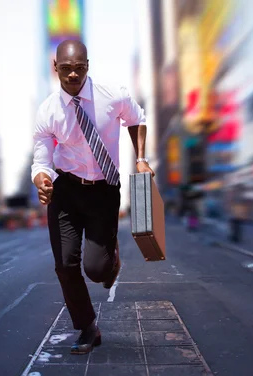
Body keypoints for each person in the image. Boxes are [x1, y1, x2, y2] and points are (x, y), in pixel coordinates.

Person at [31, 40, 154, 354]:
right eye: (66, 68)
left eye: (80, 67)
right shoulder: (47, 111)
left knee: (97, 271)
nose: (73, 74)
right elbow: (42, 161)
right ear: (54, 67)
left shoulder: (112, 96)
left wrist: (140, 158)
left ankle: (109, 258)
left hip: (103, 190)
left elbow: (137, 118)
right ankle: (87, 328)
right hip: (66, 191)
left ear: (88, 65)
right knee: (64, 264)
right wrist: (42, 180)